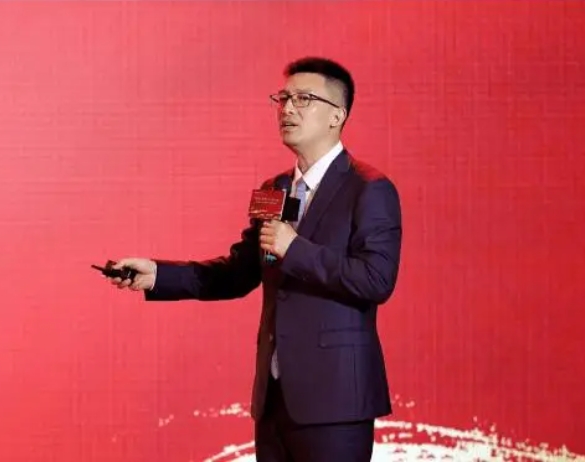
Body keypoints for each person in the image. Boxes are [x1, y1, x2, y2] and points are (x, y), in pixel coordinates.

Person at [106, 56, 402, 462]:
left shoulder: (369, 188)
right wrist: (158, 275)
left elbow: (375, 279)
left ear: (337, 115)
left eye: (303, 99)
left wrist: (294, 248)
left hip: (336, 400)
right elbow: (240, 272)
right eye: (283, 98)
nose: (288, 108)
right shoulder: (274, 189)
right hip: (274, 399)